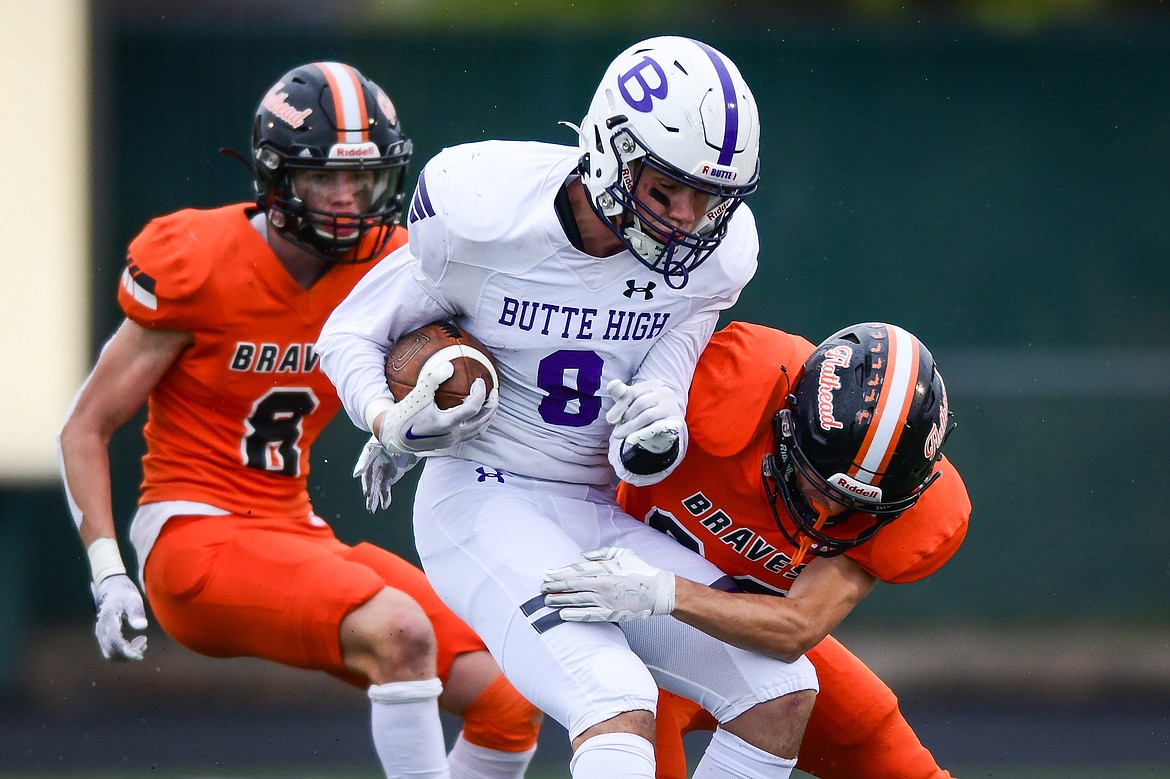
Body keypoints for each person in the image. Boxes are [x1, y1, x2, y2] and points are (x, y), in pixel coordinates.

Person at [318, 36, 821, 779]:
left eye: (709, 198)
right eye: (665, 191)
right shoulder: (482, 219)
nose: (688, 219)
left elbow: (650, 406)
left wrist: (658, 422)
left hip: (593, 505)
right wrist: (385, 417)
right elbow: (351, 331)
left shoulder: (715, 258)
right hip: (483, 498)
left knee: (782, 691)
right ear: (609, 153)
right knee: (613, 696)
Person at [57, 61, 542, 779]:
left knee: (510, 693)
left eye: (365, 178)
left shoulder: (390, 267)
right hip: (194, 538)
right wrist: (108, 573)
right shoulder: (198, 260)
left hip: (296, 530)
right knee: (401, 631)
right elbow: (85, 426)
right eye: (324, 177)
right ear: (276, 176)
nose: (347, 199)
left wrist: (407, 423)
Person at [541, 320, 971, 778]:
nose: (829, 507)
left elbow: (796, 629)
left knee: (885, 748)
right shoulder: (729, 380)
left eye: (856, 505)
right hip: (638, 626)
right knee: (636, 732)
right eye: (819, 482)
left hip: (742, 633)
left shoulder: (919, 511)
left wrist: (666, 591)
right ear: (787, 423)